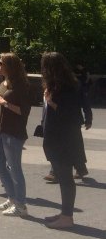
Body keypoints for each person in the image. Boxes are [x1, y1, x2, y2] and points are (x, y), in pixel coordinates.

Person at [40, 52, 86, 229]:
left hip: (65, 141)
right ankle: (65, 213)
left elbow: (73, 116)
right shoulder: (57, 86)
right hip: (56, 139)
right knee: (63, 177)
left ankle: (67, 217)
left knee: (66, 179)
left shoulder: (67, 87)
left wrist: (51, 102)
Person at [0, 53, 32, 218]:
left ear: (9, 66)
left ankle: (21, 205)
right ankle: (12, 197)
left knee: (14, 168)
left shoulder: (21, 85)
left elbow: (24, 111)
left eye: (1, 63)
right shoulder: (3, 83)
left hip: (13, 132)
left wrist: (5, 103)